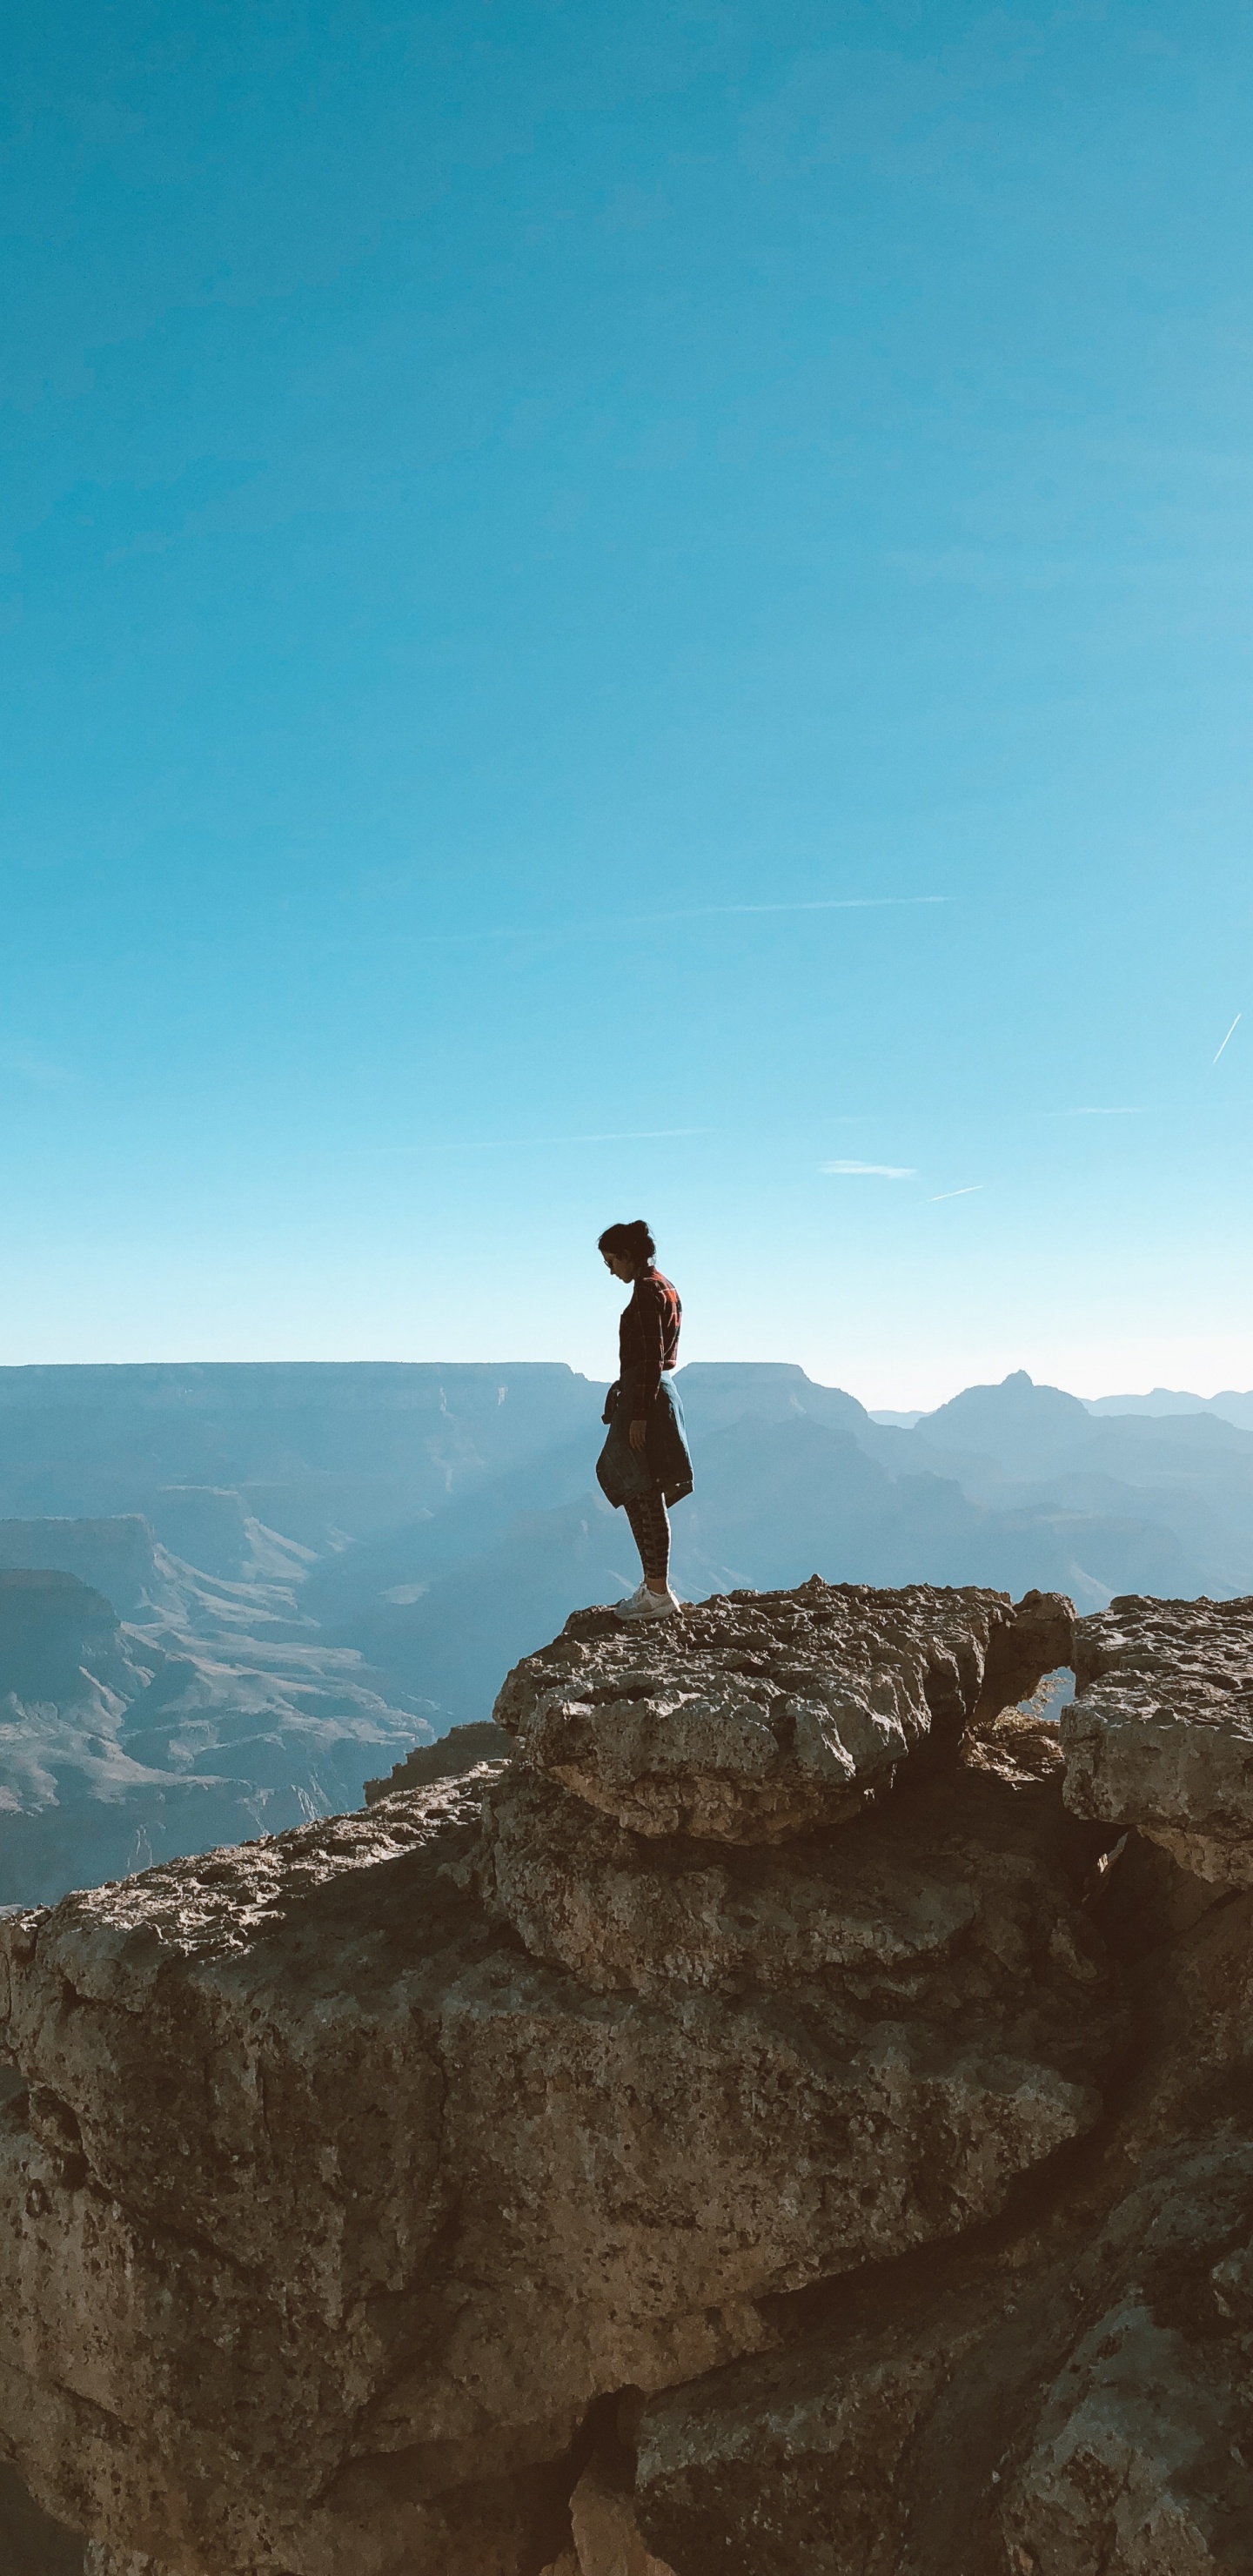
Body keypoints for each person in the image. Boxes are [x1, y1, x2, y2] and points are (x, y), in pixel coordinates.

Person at [596, 1218, 693, 1620]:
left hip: (647, 1399)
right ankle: (655, 1586)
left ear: (628, 1256)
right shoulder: (664, 1286)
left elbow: (652, 1358)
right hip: (651, 1393)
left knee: (642, 1490)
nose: (610, 1270)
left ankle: (656, 1593)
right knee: (641, 1488)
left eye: (611, 1261)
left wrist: (637, 1415)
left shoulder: (648, 1291)